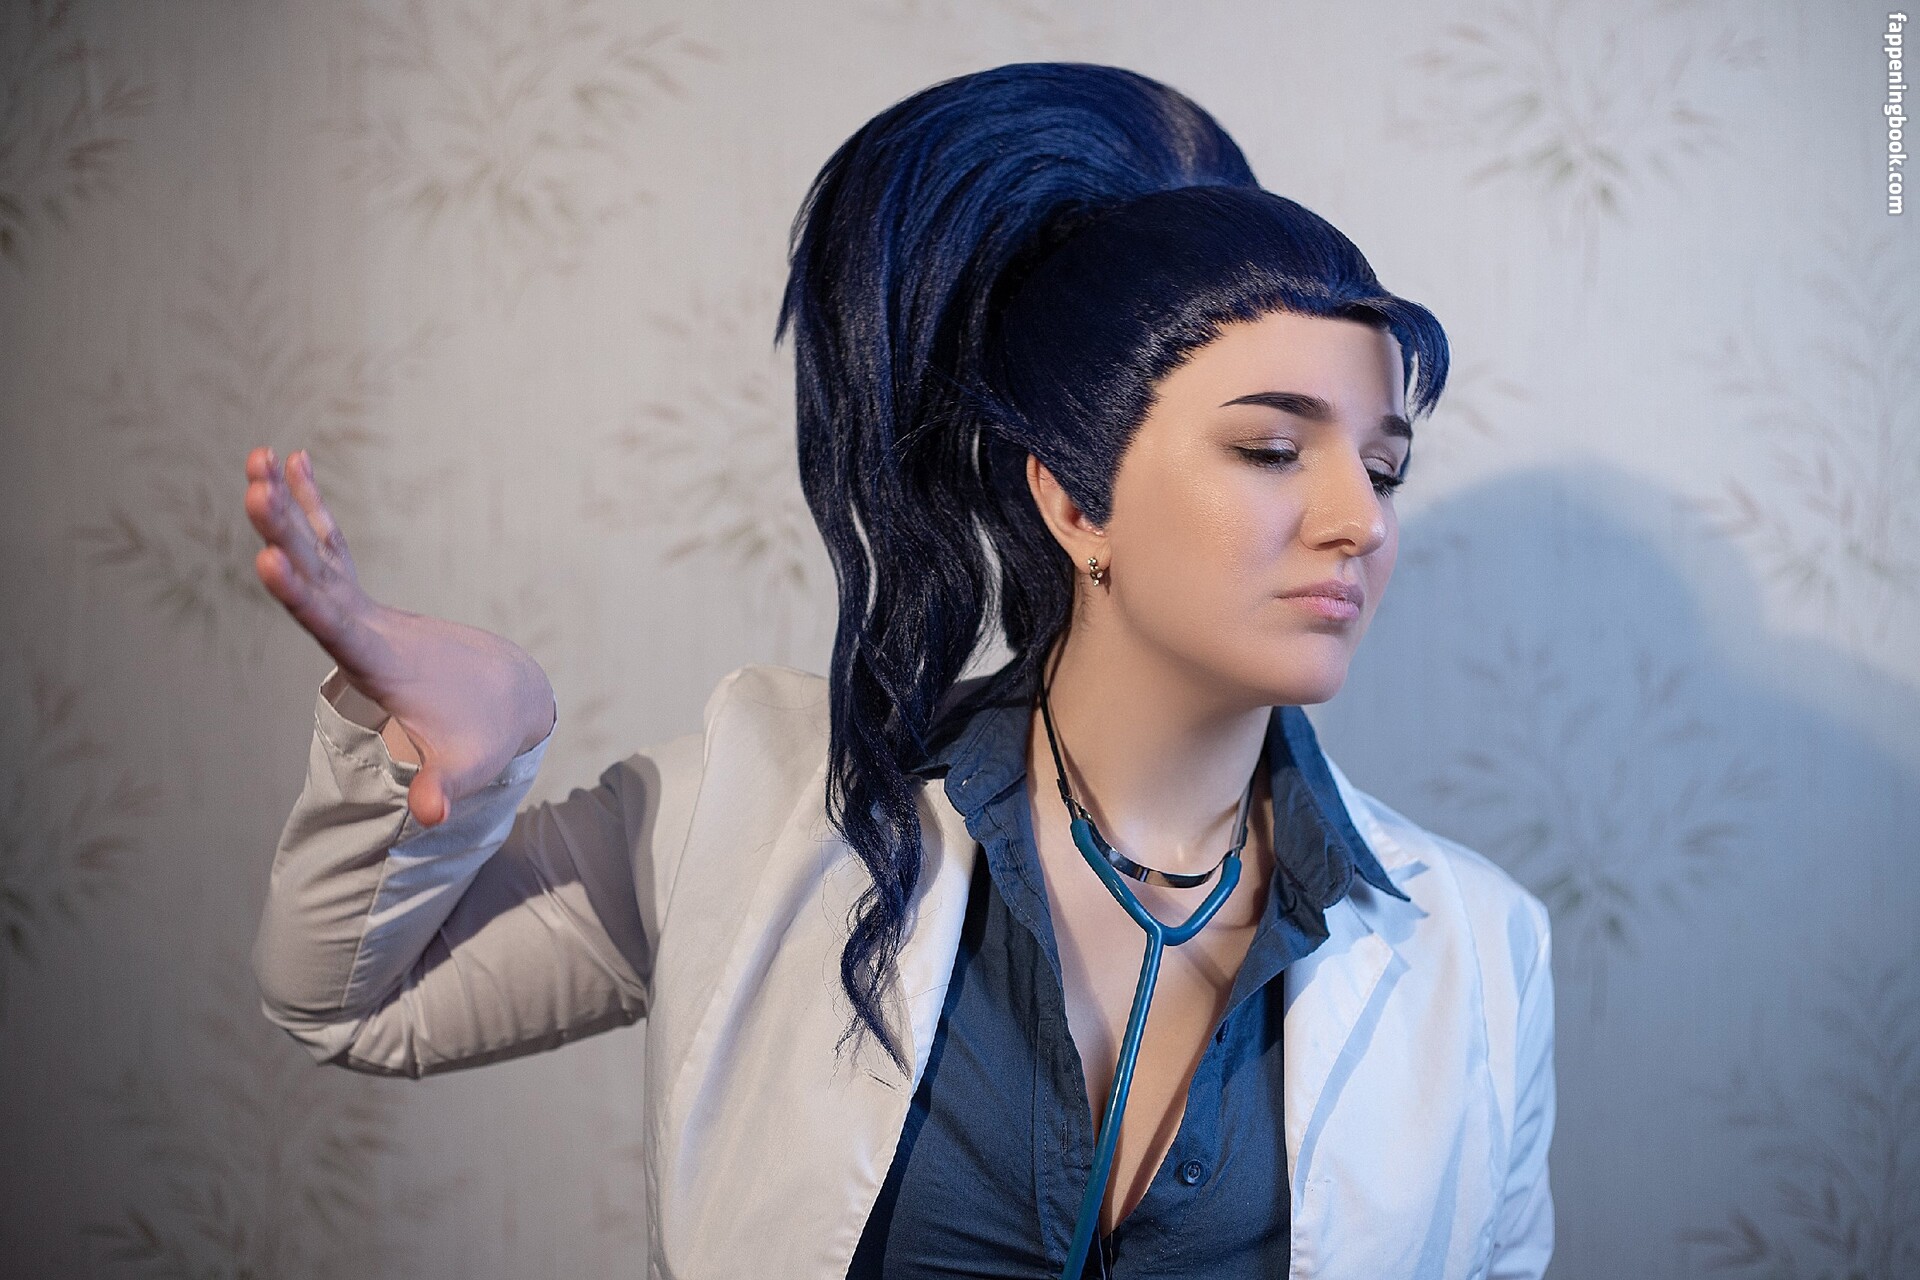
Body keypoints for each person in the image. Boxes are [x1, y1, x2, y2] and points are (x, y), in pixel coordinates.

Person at [244, 62, 1554, 1280]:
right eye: (1272, 450)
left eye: (1385, 467)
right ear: (1074, 501)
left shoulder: (1481, 955)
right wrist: (444, 760)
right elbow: (356, 1002)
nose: (1360, 520)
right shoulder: (758, 812)